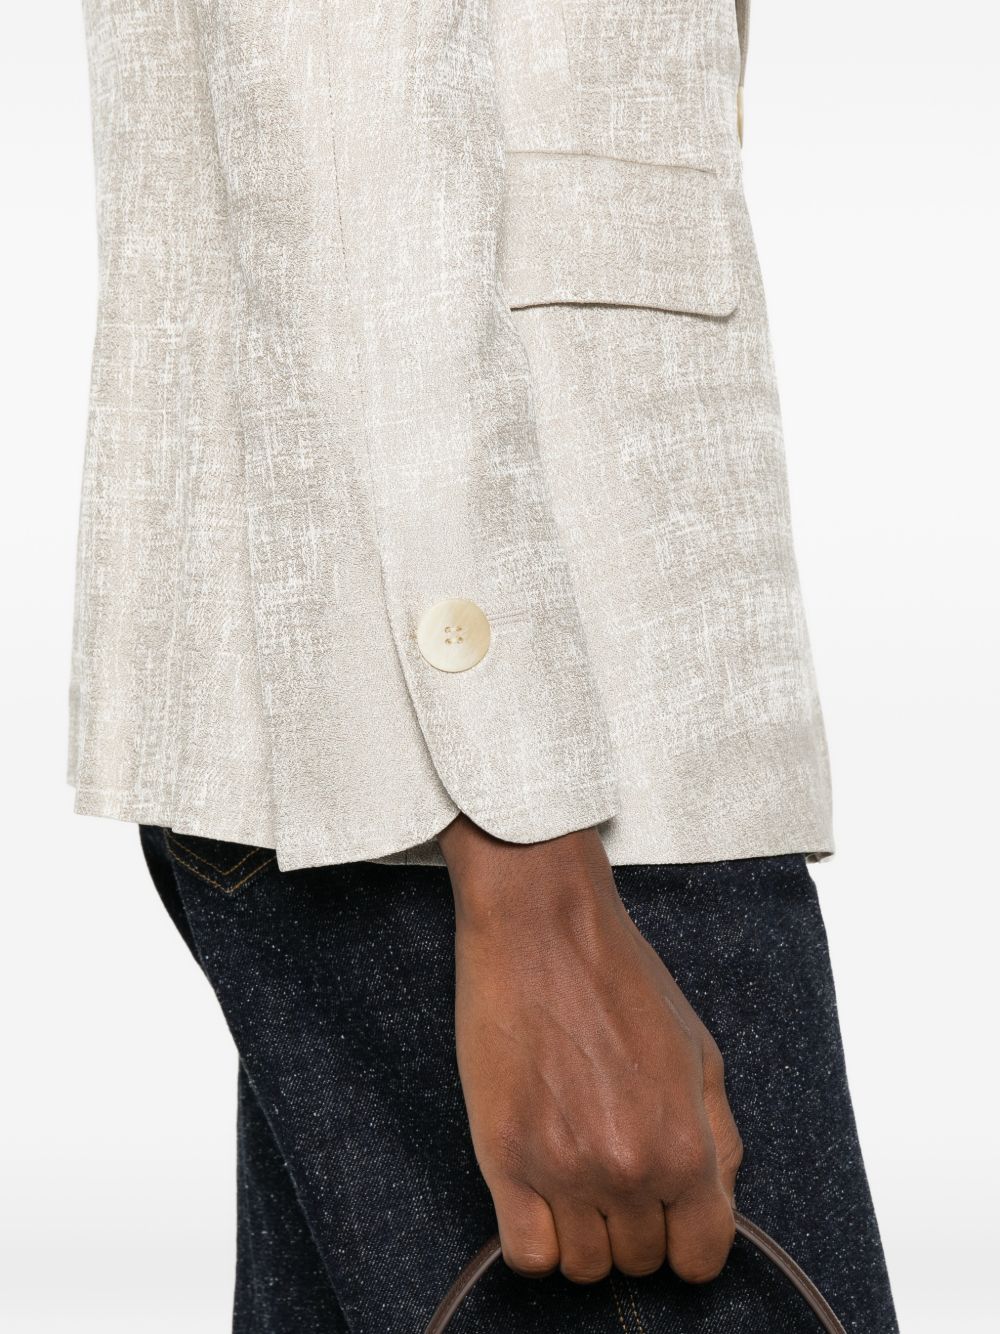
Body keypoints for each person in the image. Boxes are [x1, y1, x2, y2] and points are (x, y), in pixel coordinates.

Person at [70, 1, 898, 1330]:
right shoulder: (532, 843)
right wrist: (525, 867)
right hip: (544, 746)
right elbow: (347, 91)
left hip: (482, 713)